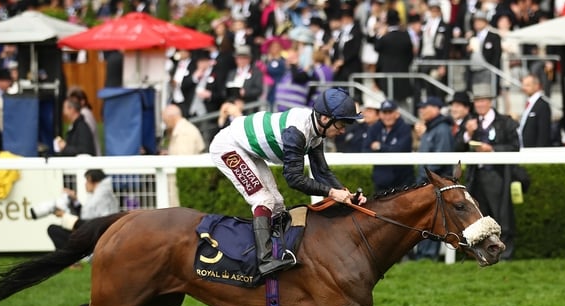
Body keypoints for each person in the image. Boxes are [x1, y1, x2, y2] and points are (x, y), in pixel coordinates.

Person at [208, 88, 367, 276]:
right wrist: (333, 193)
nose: (342, 131)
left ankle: (279, 252)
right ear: (325, 118)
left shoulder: (316, 131)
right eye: (340, 124)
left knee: (277, 203)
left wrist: (346, 194)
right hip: (228, 146)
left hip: (247, 147)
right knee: (263, 200)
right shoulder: (297, 132)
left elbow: (321, 172)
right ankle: (265, 261)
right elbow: (294, 179)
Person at [459, 84, 520, 260]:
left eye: (483, 101)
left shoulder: (505, 122)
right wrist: (467, 134)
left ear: (490, 102)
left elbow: (515, 147)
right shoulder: (470, 122)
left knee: (502, 215)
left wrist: (492, 150)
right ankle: (483, 253)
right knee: (478, 217)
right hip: (475, 176)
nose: (479, 104)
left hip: (497, 175)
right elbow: (457, 147)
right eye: (477, 101)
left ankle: (506, 253)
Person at [414, 95, 454, 261]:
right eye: (421, 108)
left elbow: (439, 159)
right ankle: (423, 254)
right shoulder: (431, 128)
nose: (422, 110)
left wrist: (425, 177)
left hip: (434, 183)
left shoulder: (442, 129)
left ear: (437, 109)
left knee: (433, 220)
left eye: (426, 107)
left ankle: (429, 255)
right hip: (427, 181)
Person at [47, 170, 119, 252]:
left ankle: (70, 258)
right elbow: (87, 217)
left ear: (91, 180)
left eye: (86, 181)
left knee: (53, 230)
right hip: (95, 234)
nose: (85, 184)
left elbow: (93, 224)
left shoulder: (101, 197)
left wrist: (65, 216)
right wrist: (75, 201)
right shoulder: (101, 194)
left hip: (96, 237)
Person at [160, 104, 207, 207]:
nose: (165, 124)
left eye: (165, 120)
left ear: (171, 117)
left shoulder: (184, 132)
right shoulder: (181, 129)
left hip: (182, 184)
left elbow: (184, 160)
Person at [365, 99, 415, 192]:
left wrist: (380, 147)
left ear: (397, 113)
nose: (387, 116)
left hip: (403, 182)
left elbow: (400, 150)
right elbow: (365, 149)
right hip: (380, 182)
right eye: (384, 112)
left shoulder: (405, 128)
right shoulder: (374, 128)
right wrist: (388, 148)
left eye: (390, 112)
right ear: (380, 114)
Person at [518, 74, 552, 149]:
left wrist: (538, 154)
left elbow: (544, 134)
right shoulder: (529, 103)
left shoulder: (542, 105)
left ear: (537, 86)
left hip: (535, 153)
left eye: (527, 85)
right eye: (523, 85)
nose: (524, 88)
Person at [67, 87, 101, 156]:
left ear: (82, 101)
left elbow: (85, 140)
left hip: (89, 158)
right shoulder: (81, 115)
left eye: (74, 102)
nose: (73, 105)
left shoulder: (85, 114)